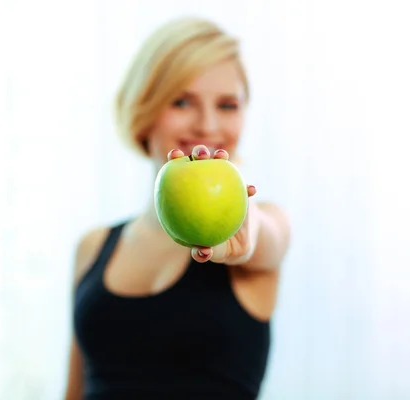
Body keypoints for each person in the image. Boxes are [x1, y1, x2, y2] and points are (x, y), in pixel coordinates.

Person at [64, 16, 291, 400]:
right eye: (182, 101)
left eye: (227, 105)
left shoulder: (264, 221)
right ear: (144, 109)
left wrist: (243, 233)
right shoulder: (94, 246)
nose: (207, 125)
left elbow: (263, 239)